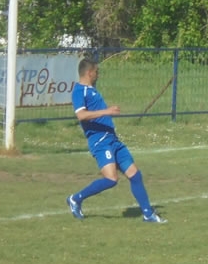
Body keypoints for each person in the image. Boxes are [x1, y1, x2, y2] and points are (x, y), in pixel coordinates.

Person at [67, 57, 167, 223]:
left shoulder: (92, 89)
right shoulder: (79, 91)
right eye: (96, 72)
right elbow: (81, 115)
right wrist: (106, 112)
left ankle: (148, 214)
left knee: (135, 175)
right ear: (89, 72)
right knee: (111, 179)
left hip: (113, 139)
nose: (98, 75)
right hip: (100, 142)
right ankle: (76, 199)